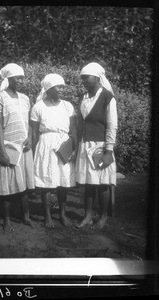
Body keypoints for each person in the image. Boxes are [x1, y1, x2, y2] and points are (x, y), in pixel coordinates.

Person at [0, 63, 35, 232]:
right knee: (7, 185)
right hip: (8, 147)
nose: (21, 81)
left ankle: (26, 217)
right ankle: (6, 220)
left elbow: (29, 123)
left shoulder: (25, 98)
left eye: (23, 78)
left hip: (24, 148)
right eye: (18, 78)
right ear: (9, 79)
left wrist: (30, 138)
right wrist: (2, 151)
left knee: (23, 184)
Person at [31, 73, 77, 228]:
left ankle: (62, 214)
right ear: (49, 89)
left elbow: (74, 128)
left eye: (62, 87)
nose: (61, 90)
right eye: (58, 87)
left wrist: (74, 146)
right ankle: (47, 217)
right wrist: (33, 153)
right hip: (46, 146)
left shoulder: (67, 106)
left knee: (63, 182)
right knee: (47, 182)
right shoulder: (38, 107)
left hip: (64, 144)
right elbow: (35, 132)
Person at [76, 62, 118, 229]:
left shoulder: (107, 97)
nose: (84, 81)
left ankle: (103, 217)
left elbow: (112, 124)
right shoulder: (84, 98)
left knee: (102, 183)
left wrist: (109, 150)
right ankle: (87, 216)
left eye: (86, 77)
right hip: (84, 145)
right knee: (88, 183)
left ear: (97, 77)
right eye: (82, 78)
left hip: (100, 146)